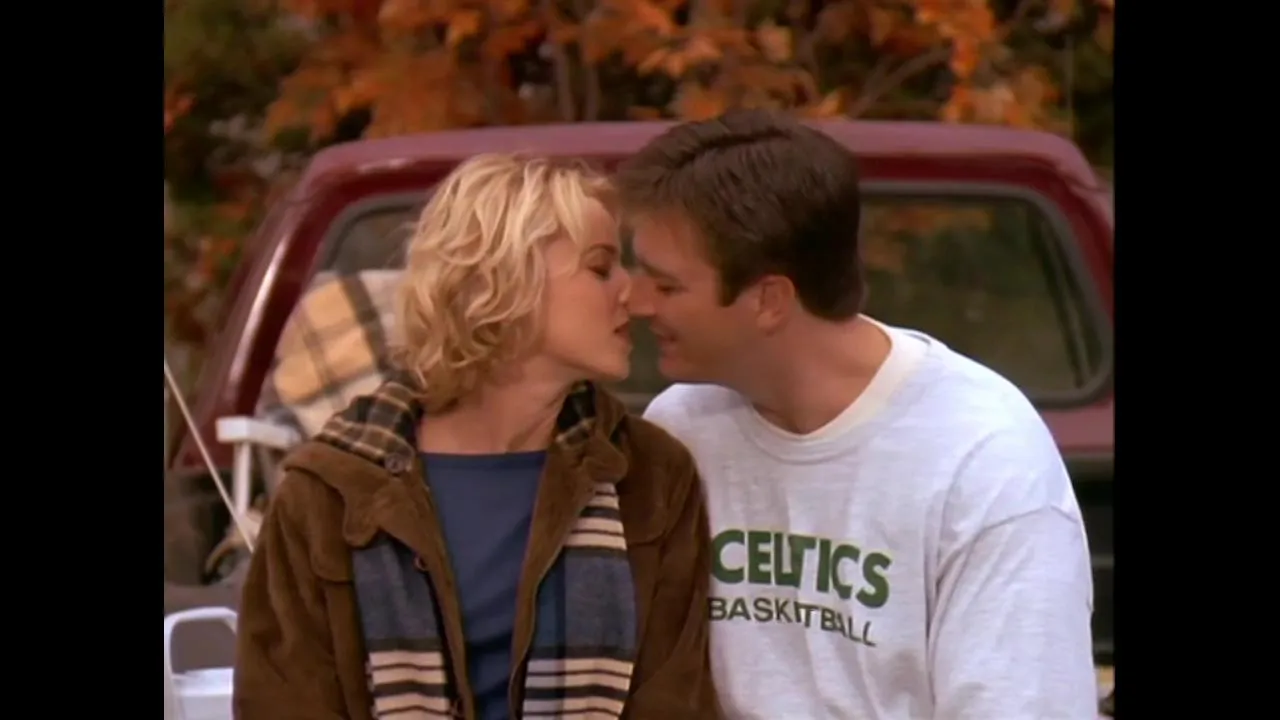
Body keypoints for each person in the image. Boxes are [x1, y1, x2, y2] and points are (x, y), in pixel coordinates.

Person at [615, 109, 1098, 719]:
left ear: (769, 300)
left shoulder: (982, 457)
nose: (634, 301)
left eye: (666, 286)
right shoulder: (682, 428)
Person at [234, 153, 721, 720]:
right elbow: (282, 703)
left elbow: (673, 703)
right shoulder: (331, 489)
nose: (632, 296)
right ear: (504, 281)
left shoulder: (649, 475)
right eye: (600, 267)